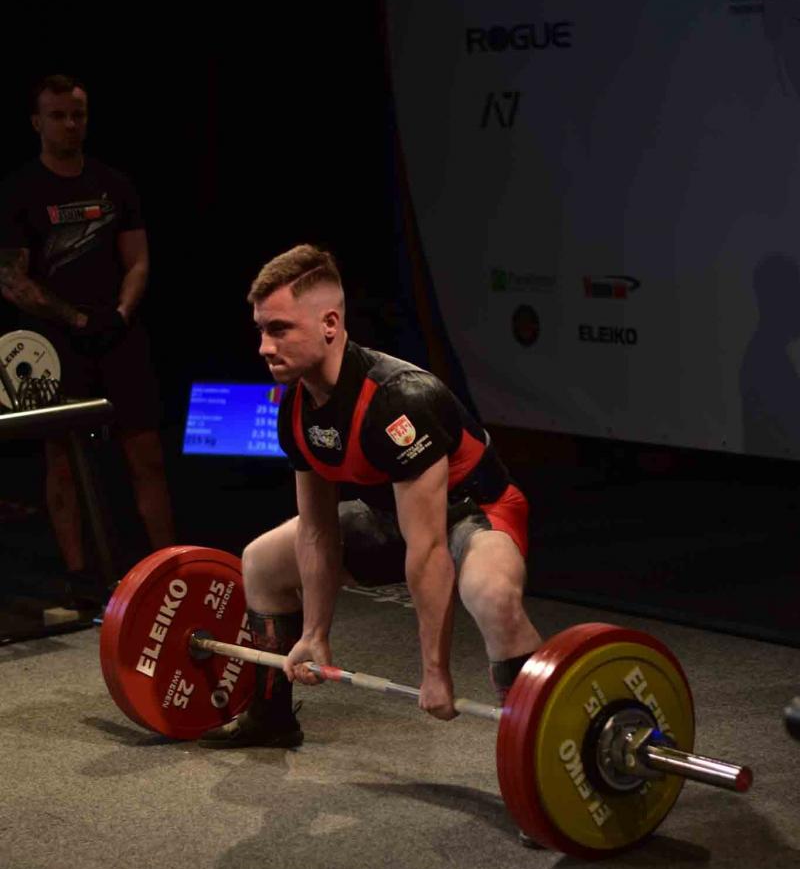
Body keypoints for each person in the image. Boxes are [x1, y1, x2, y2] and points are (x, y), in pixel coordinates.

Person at [199, 243, 542, 750]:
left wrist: (435, 672)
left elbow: (428, 547)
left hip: (475, 513)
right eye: (262, 330)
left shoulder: (399, 400)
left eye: (280, 329)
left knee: (491, 595)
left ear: (330, 324)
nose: (265, 347)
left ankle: (538, 745)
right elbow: (317, 530)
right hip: (391, 517)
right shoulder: (295, 409)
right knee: (262, 562)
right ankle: (271, 717)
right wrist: (314, 633)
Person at [0, 74, 175, 605]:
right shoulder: (19, 191)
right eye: (58, 115)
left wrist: (119, 313)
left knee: (146, 454)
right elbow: (11, 280)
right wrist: (75, 319)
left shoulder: (113, 184)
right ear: (37, 122)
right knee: (62, 461)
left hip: (118, 336)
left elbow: (139, 259)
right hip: (55, 345)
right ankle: (79, 578)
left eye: (77, 114)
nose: (70, 124)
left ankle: (171, 564)